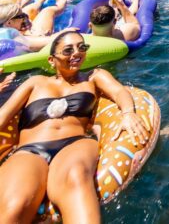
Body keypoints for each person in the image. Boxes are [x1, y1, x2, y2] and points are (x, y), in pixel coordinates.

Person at [0, 31, 148, 223]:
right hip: (29, 150)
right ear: (52, 60)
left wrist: (128, 113)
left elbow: (119, 92)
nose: (77, 53)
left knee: (76, 175)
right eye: (68, 49)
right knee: (16, 204)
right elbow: (4, 115)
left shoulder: (94, 77)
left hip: (74, 144)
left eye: (82, 47)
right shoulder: (35, 83)